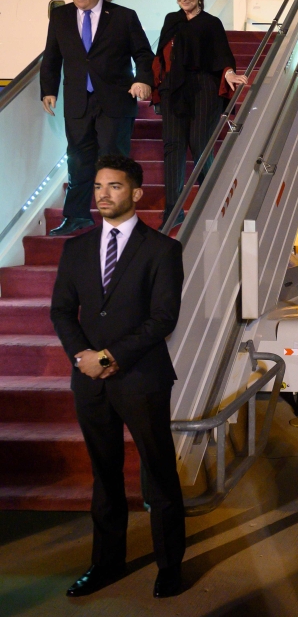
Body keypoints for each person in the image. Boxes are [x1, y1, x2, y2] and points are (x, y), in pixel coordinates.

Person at [50, 155, 186, 599]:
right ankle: (105, 564)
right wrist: (82, 357)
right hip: (89, 381)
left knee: (159, 472)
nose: (103, 194)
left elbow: (163, 318)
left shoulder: (163, 249)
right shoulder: (77, 248)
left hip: (142, 378)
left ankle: (170, 565)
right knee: (104, 477)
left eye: (114, 187)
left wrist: (109, 356)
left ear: (136, 193)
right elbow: (62, 312)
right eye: (98, 187)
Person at [41, 0, 153, 236]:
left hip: (115, 101)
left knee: (113, 161)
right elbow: (52, 57)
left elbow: (143, 54)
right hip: (78, 101)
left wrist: (143, 79)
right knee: (77, 161)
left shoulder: (124, 16)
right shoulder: (61, 17)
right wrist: (48, 89)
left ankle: (118, 217)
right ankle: (77, 216)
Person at [154, 0, 248, 229]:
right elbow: (162, 56)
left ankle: (215, 200)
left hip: (203, 87)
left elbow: (221, 54)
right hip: (174, 90)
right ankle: (173, 212)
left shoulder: (211, 23)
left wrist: (229, 73)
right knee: (173, 147)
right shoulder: (171, 20)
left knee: (199, 144)